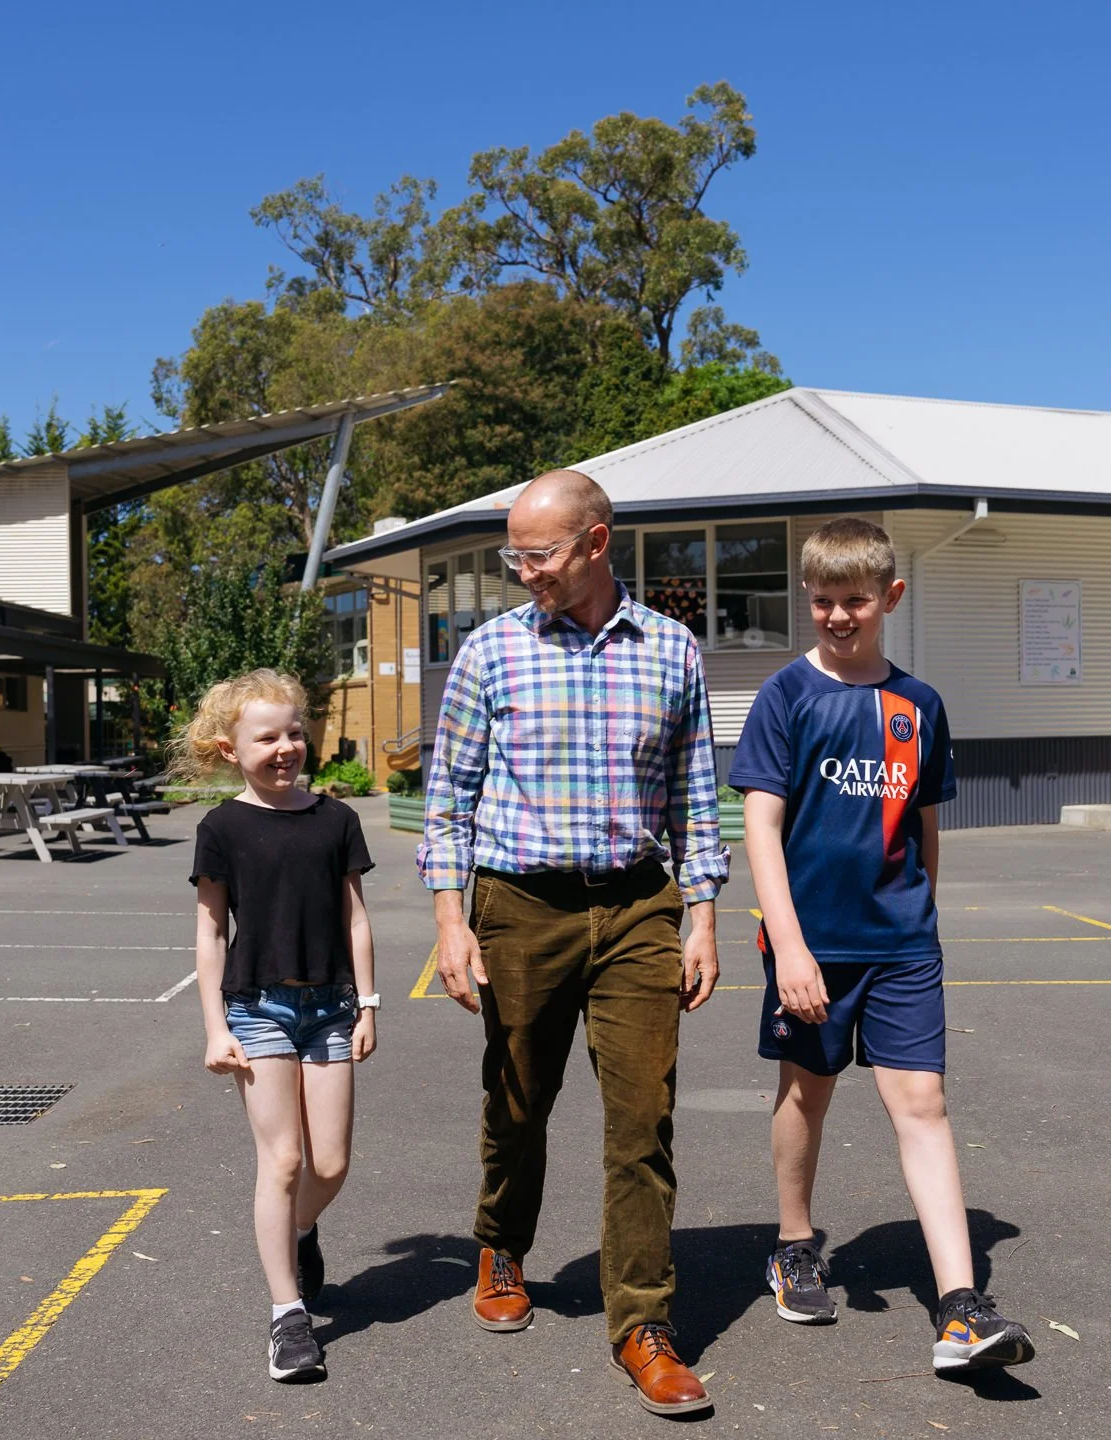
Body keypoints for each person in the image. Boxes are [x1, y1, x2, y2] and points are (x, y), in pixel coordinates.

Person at [421, 470, 727, 1418]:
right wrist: (450, 919)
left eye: (538, 553)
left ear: (597, 544)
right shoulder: (491, 652)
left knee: (644, 1120)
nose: (522, 572)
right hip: (520, 906)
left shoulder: (672, 650)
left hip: (640, 909)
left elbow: (693, 794)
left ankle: (643, 1323)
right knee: (518, 1098)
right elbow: (449, 796)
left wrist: (704, 914)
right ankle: (502, 1242)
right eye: (513, 554)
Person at [728, 518, 1033, 1374]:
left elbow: (926, 827)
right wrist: (788, 948)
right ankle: (794, 1244)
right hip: (811, 946)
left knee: (923, 1104)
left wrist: (922, 917)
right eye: (821, 600)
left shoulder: (919, 706)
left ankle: (962, 1308)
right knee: (807, 1093)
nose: (835, 616)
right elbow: (760, 825)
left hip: (901, 947)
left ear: (890, 598)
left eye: (853, 600)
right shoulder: (788, 696)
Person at [182, 669, 380, 1384]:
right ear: (230, 749)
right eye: (267, 737)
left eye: (294, 732)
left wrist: (368, 1003)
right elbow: (209, 935)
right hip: (257, 1009)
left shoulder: (335, 820)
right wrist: (214, 1028)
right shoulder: (222, 828)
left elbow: (355, 917)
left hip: (330, 1006)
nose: (286, 746)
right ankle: (287, 1317)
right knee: (285, 1160)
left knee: (330, 1164)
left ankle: (300, 1231)